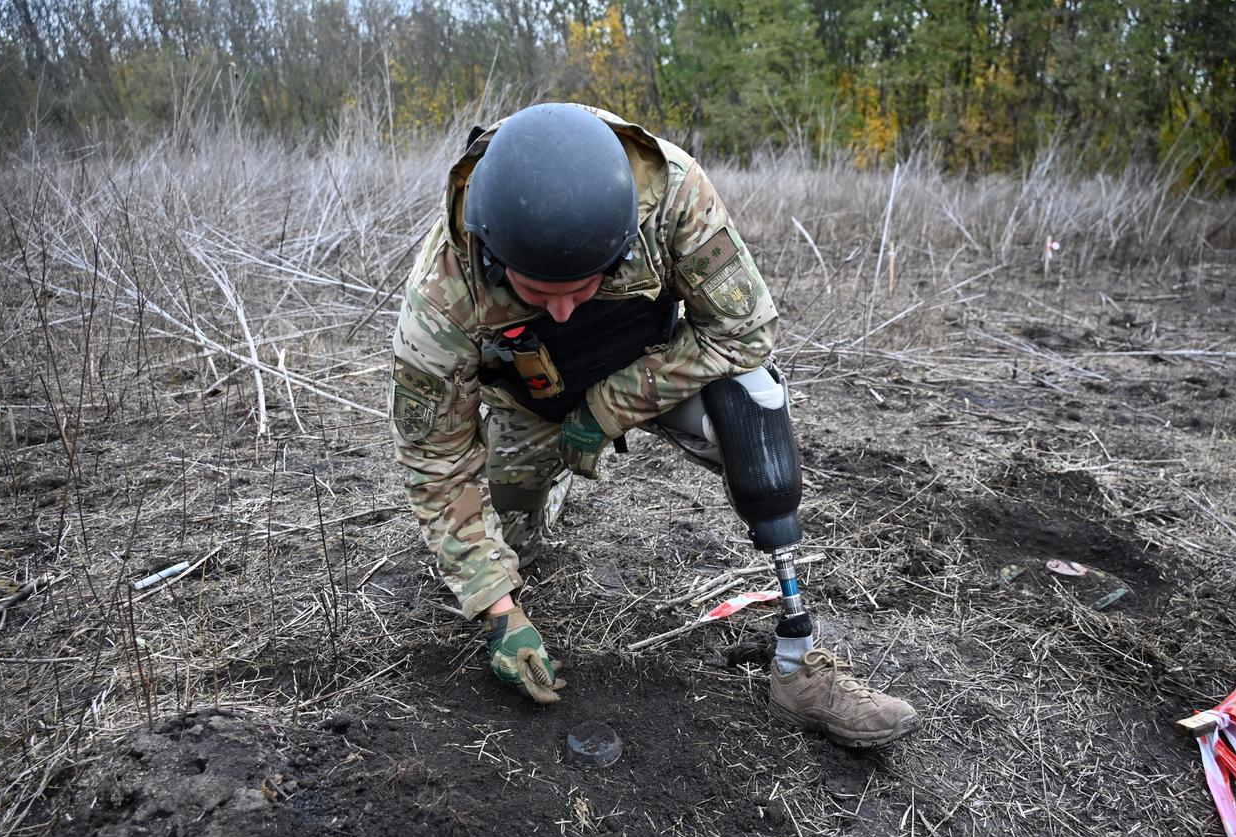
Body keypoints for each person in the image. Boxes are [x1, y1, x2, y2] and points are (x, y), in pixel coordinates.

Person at [389, 102, 919, 747]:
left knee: (755, 402)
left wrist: (607, 409)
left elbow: (744, 329)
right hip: (530, 403)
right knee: (505, 538)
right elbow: (436, 460)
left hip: (657, 365)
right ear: (495, 257)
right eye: (536, 292)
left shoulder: (671, 196)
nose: (560, 312)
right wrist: (500, 612)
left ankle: (797, 662)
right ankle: (533, 509)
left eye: (581, 290)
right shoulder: (442, 294)